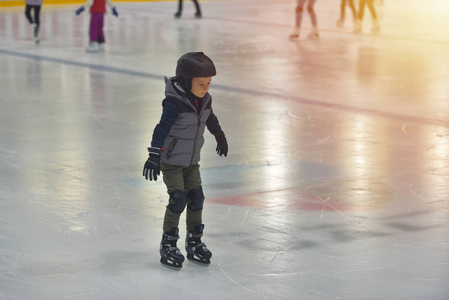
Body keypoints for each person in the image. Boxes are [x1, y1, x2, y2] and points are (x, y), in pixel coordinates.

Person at [143, 52, 228, 270]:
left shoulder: (204, 99)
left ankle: (194, 242)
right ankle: (168, 244)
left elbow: (210, 117)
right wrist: (154, 155)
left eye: (209, 83)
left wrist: (220, 136)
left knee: (197, 197)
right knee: (178, 199)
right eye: (201, 83)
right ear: (185, 81)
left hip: (191, 162)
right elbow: (161, 129)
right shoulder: (174, 103)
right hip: (171, 161)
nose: (206, 87)